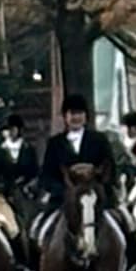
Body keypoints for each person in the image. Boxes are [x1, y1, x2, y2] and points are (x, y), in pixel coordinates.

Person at [31, 91, 129, 246]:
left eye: (80, 113)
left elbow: (110, 170)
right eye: (72, 113)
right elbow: (46, 176)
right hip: (64, 200)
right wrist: (63, 191)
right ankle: (33, 268)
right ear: (65, 116)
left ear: (85, 116)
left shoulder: (99, 140)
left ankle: (135, 266)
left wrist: (100, 187)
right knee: (36, 229)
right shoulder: (55, 143)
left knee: (128, 223)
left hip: (97, 199)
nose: (76, 117)